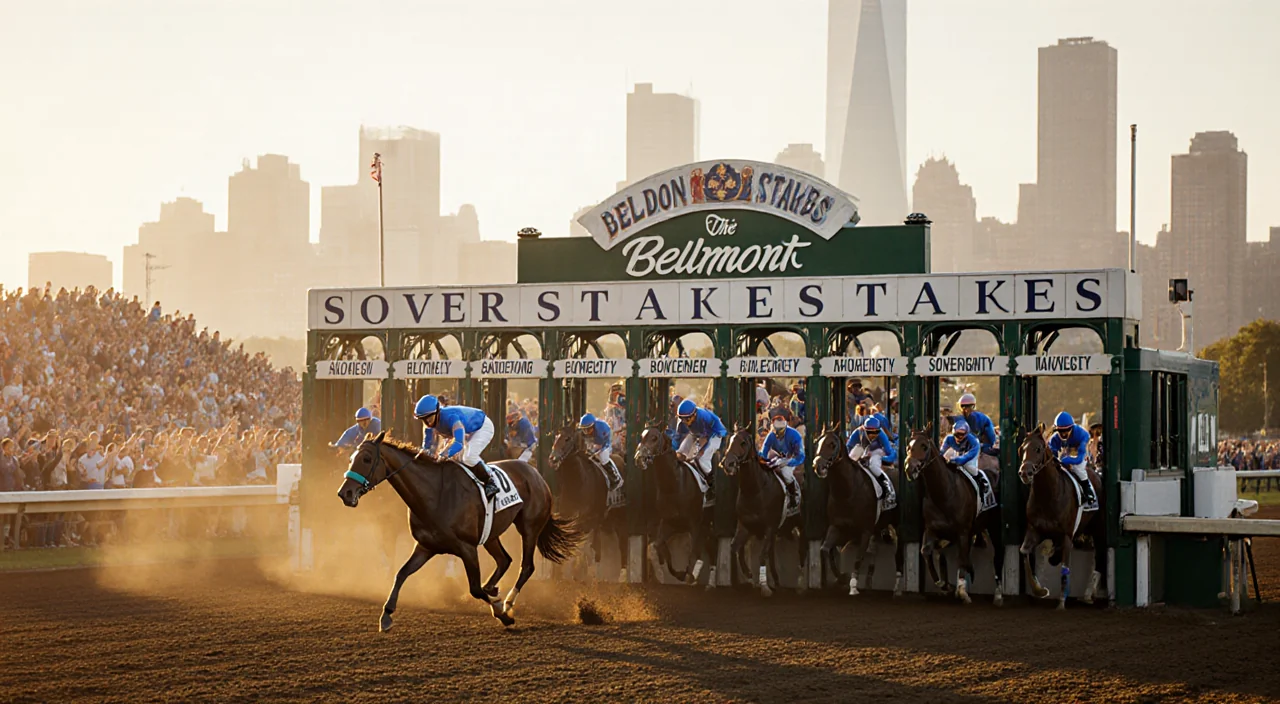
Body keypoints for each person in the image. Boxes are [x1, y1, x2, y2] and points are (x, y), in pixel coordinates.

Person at [415, 394, 499, 499]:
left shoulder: (451, 417)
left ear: (437, 412)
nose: (427, 422)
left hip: (481, 427)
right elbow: (426, 447)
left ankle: (490, 481)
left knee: (468, 457)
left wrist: (443, 454)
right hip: (466, 431)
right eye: (423, 419)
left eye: (429, 418)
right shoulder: (429, 426)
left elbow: (459, 443)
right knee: (454, 459)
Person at [1049, 412, 1097, 511]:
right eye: (1060, 431)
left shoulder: (1081, 435)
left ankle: (1089, 492)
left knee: (1078, 469)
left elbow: (1079, 458)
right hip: (1065, 454)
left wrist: (1068, 460)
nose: (1063, 434)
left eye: (1066, 431)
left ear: (1071, 428)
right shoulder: (1054, 438)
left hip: (1080, 455)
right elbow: (1052, 453)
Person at [846, 416, 896, 507]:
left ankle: (888, 490)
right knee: (856, 451)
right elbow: (848, 447)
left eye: (875, 432)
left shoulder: (881, 434)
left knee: (873, 465)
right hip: (862, 452)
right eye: (870, 432)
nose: (873, 435)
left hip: (875, 452)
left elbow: (891, 452)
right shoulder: (857, 433)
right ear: (864, 429)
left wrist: (883, 459)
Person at [941, 419, 993, 506]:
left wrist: (957, 460)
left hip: (972, 453)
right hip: (960, 452)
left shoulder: (973, 441)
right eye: (957, 434)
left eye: (962, 434)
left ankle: (981, 482)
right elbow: (941, 451)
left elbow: (968, 456)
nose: (959, 437)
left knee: (969, 468)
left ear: (967, 434)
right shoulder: (949, 439)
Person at [674, 399, 725, 484]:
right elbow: (678, 437)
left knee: (702, 458)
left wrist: (702, 449)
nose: (683, 421)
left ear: (694, 414)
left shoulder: (704, 417)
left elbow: (708, 437)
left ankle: (711, 481)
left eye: (686, 419)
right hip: (698, 433)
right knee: (680, 451)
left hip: (715, 434)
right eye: (681, 418)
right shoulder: (683, 421)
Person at [760, 411, 804, 509]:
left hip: (791, 459)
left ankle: (794, 495)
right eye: (776, 430)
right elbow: (764, 450)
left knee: (785, 472)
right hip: (776, 458)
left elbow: (800, 456)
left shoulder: (794, 435)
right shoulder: (771, 435)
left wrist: (789, 462)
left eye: (780, 431)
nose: (778, 433)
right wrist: (762, 459)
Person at [578, 413, 622, 491]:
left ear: (593, 425)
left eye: (588, 429)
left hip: (605, 441)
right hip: (595, 441)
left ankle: (615, 477)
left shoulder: (601, 429)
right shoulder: (588, 430)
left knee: (603, 457)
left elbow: (599, 446)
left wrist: (593, 451)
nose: (586, 431)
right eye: (584, 429)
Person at [958, 392, 999, 460]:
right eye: (963, 406)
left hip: (985, 440)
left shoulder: (979, 419)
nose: (965, 409)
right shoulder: (960, 419)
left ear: (973, 406)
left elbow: (990, 439)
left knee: (991, 448)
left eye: (968, 407)